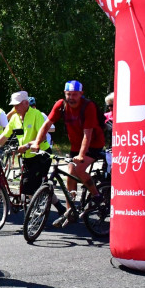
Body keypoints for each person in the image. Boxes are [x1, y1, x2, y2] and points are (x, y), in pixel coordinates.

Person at [32, 80, 105, 227]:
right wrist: (36, 142)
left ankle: (96, 195)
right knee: (70, 172)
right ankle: (69, 210)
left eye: (75, 95)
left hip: (93, 144)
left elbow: (87, 135)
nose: (71, 97)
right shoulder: (61, 105)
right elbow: (46, 125)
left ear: (81, 94)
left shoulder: (88, 107)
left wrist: (81, 155)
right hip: (75, 145)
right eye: (68, 94)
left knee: (78, 169)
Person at [0, 91, 51, 198]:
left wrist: (27, 146)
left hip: (41, 155)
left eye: (17, 105)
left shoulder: (36, 115)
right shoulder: (15, 118)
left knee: (29, 187)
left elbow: (43, 137)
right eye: (14, 105)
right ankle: (59, 207)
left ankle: (31, 213)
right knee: (25, 187)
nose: (15, 108)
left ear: (26, 103)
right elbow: (4, 136)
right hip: (27, 157)